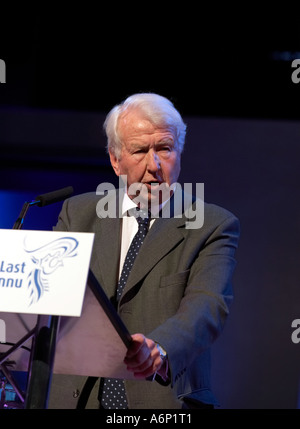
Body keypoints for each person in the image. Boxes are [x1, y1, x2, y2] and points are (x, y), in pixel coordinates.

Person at [51, 93, 240, 409]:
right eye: (139, 151)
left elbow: (207, 306)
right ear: (115, 159)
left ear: (178, 151)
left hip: (162, 400)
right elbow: (53, 298)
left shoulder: (212, 224)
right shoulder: (78, 213)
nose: (154, 165)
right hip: (74, 399)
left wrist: (161, 349)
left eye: (164, 148)